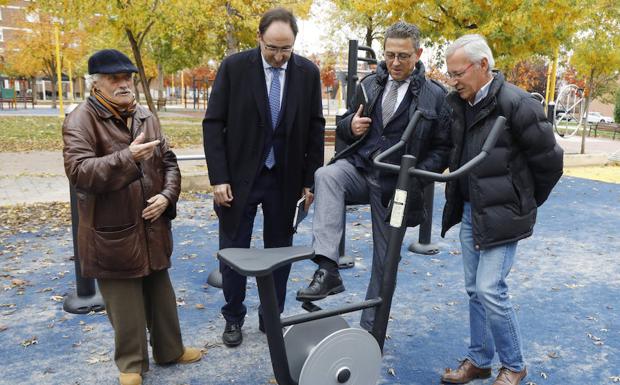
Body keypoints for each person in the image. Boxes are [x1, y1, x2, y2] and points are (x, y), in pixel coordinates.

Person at [295, 21, 451, 331]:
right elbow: (345, 126)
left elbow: (443, 149)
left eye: (403, 56)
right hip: (360, 169)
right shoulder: (369, 85)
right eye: (390, 54)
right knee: (326, 175)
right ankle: (328, 270)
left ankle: (371, 328)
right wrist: (349, 125)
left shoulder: (435, 96)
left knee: (385, 261)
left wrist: (416, 177)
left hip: (397, 184)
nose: (395, 62)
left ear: (418, 54)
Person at [62, 49, 202, 385]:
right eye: (115, 79)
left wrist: (166, 197)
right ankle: (131, 365)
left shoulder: (145, 115)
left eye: (128, 77)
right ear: (97, 84)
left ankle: (170, 350)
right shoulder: (80, 120)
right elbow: (79, 173)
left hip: (152, 225)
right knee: (125, 306)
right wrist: (128, 157)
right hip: (111, 231)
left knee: (161, 295)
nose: (124, 84)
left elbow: (168, 161)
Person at [439, 34, 563, 385]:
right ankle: (479, 361)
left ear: (482, 66)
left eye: (458, 72)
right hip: (469, 210)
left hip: (502, 214)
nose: (453, 80)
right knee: (475, 290)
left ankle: (514, 364)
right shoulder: (457, 103)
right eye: (450, 74)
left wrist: (522, 202)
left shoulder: (517, 103)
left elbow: (550, 163)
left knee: (491, 288)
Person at [203, 8, 324, 347]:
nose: (278, 56)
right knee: (233, 249)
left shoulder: (308, 73)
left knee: (279, 253)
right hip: (239, 178)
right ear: (259, 38)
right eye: (272, 48)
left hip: (284, 180)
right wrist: (218, 177)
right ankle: (233, 317)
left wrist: (309, 180)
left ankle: (270, 316)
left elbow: (315, 127)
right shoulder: (235, 68)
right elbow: (213, 124)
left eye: (286, 49)